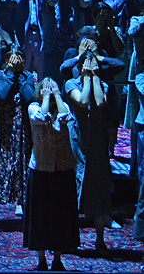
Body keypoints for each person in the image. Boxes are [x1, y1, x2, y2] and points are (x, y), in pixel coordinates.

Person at [24, 77, 77, 272]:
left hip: (62, 168)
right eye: (44, 88)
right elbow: (40, 117)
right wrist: (46, 97)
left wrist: (56, 95)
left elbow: (66, 116)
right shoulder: (33, 107)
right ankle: (41, 259)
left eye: (52, 87)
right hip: (41, 169)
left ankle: (57, 258)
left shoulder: (63, 107)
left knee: (60, 215)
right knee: (40, 216)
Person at [64, 50, 112, 255]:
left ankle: (100, 239)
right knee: (74, 187)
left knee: (98, 189)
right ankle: (68, 237)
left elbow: (99, 102)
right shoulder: (71, 84)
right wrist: (85, 78)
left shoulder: (102, 84)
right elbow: (83, 101)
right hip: (77, 140)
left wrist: (94, 78)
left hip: (97, 143)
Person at [0, 44, 35, 230]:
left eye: (19, 59)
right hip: (1, 133)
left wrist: (19, 75)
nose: (16, 62)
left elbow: (30, 97)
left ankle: (26, 212)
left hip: (21, 133)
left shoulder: (28, 77)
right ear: (5, 61)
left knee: (22, 172)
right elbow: (1, 94)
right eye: (12, 59)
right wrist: (11, 73)